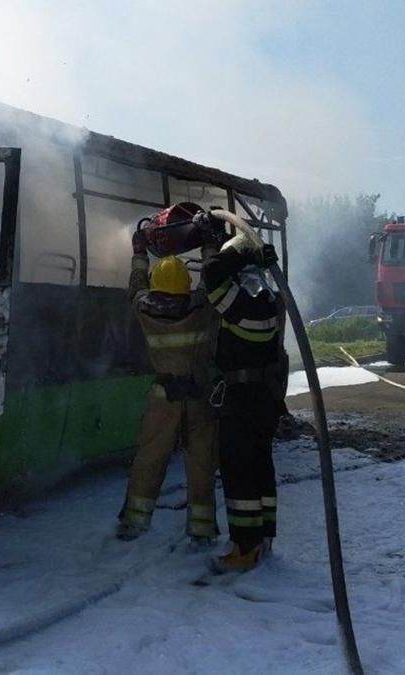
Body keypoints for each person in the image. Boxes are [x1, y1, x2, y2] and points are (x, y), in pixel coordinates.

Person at [116, 230, 219, 544]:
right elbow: (212, 280)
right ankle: (201, 529)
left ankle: (134, 521)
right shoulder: (200, 308)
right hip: (198, 398)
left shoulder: (144, 308)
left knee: (149, 458)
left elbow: (135, 284)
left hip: (163, 398)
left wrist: (139, 252)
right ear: (184, 285)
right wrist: (209, 246)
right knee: (201, 462)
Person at [199, 213, 287, 573]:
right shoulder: (270, 301)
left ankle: (244, 546)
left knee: (238, 472)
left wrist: (239, 247)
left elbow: (211, 273)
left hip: (242, 399)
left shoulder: (242, 307)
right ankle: (263, 537)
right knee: (260, 468)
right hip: (265, 400)